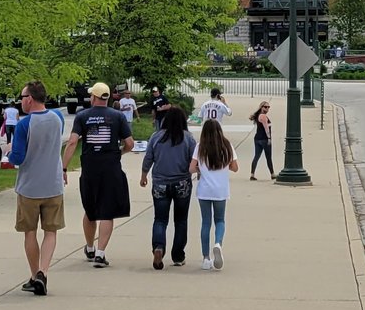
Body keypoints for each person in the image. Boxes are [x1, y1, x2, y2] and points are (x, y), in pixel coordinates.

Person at [64, 82, 132, 268]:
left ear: (93, 97)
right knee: (107, 212)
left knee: (90, 211)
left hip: (90, 168)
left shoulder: (82, 116)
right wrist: (119, 152)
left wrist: (64, 168)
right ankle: (101, 254)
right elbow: (130, 143)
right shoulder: (117, 116)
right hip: (111, 167)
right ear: (108, 98)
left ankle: (90, 247)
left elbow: (72, 142)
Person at [8, 80, 66, 295]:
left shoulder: (24, 125)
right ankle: (44, 271)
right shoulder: (58, 117)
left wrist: (7, 153)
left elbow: (18, 157)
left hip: (29, 187)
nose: (21, 101)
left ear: (29, 99)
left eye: (22, 97)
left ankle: (34, 276)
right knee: (50, 231)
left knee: (29, 232)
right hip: (53, 184)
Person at [140, 104, 196, 270]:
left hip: (160, 183)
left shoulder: (156, 137)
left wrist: (144, 176)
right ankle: (178, 255)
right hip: (182, 183)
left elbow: (148, 158)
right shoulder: (188, 138)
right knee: (180, 220)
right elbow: (194, 159)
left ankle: (158, 247)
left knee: (160, 219)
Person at [195, 117, 238, 271]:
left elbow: (191, 168)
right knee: (220, 220)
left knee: (205, 223)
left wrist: (201, 168)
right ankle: (218, 243)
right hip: (221, 190)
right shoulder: (227, 146)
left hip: (204, 190)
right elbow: (235, 167)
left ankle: (206, 258)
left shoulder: (200, 147)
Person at [248, 101, 274, 180]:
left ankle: (252, 174)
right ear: (261, 107)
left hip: (257, 139)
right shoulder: (263, 116)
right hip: (264, 139)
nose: (267, 108)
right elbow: (266, 128)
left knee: (256, 156)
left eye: (268, 107)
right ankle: (272, 174)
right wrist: (269, 138)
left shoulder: (258, 116)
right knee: (268, 157)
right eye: (265, 107)